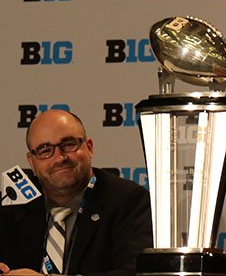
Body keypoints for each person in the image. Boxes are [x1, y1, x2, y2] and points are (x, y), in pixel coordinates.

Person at [0, 109, 152, 276]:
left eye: (68, 144)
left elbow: (137, 273)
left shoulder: (129, 201)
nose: (59, 157)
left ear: (89, 148)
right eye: (45, 150)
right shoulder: (13, 207)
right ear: (31, 162)